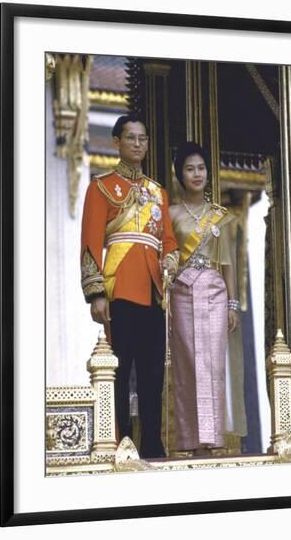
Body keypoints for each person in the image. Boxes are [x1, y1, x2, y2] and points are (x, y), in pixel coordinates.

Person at [80, 114, 179, 458]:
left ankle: (152, 442)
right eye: (131, 137)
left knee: (152, 372)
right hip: (119, 289)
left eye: (143, 138)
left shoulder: (158, 192)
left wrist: (170, 260)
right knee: (119, 373)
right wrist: (96, 294)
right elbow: (91, 241)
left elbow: (168, 241)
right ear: (116, 142)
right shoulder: (102, 186)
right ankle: (120, 442)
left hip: (153, 292)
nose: (138, 143)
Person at [169, 141, 247, 456]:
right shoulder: (171, 214)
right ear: (180, 174)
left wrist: (232, 304)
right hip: (182, 291)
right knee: (187, 365)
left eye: (201, 168)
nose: (197, 174)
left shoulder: (220, 216)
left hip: (215, 291)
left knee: (213, 365)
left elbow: (228, 262)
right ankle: (189, 441)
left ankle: (213, 440)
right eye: (190, 168)